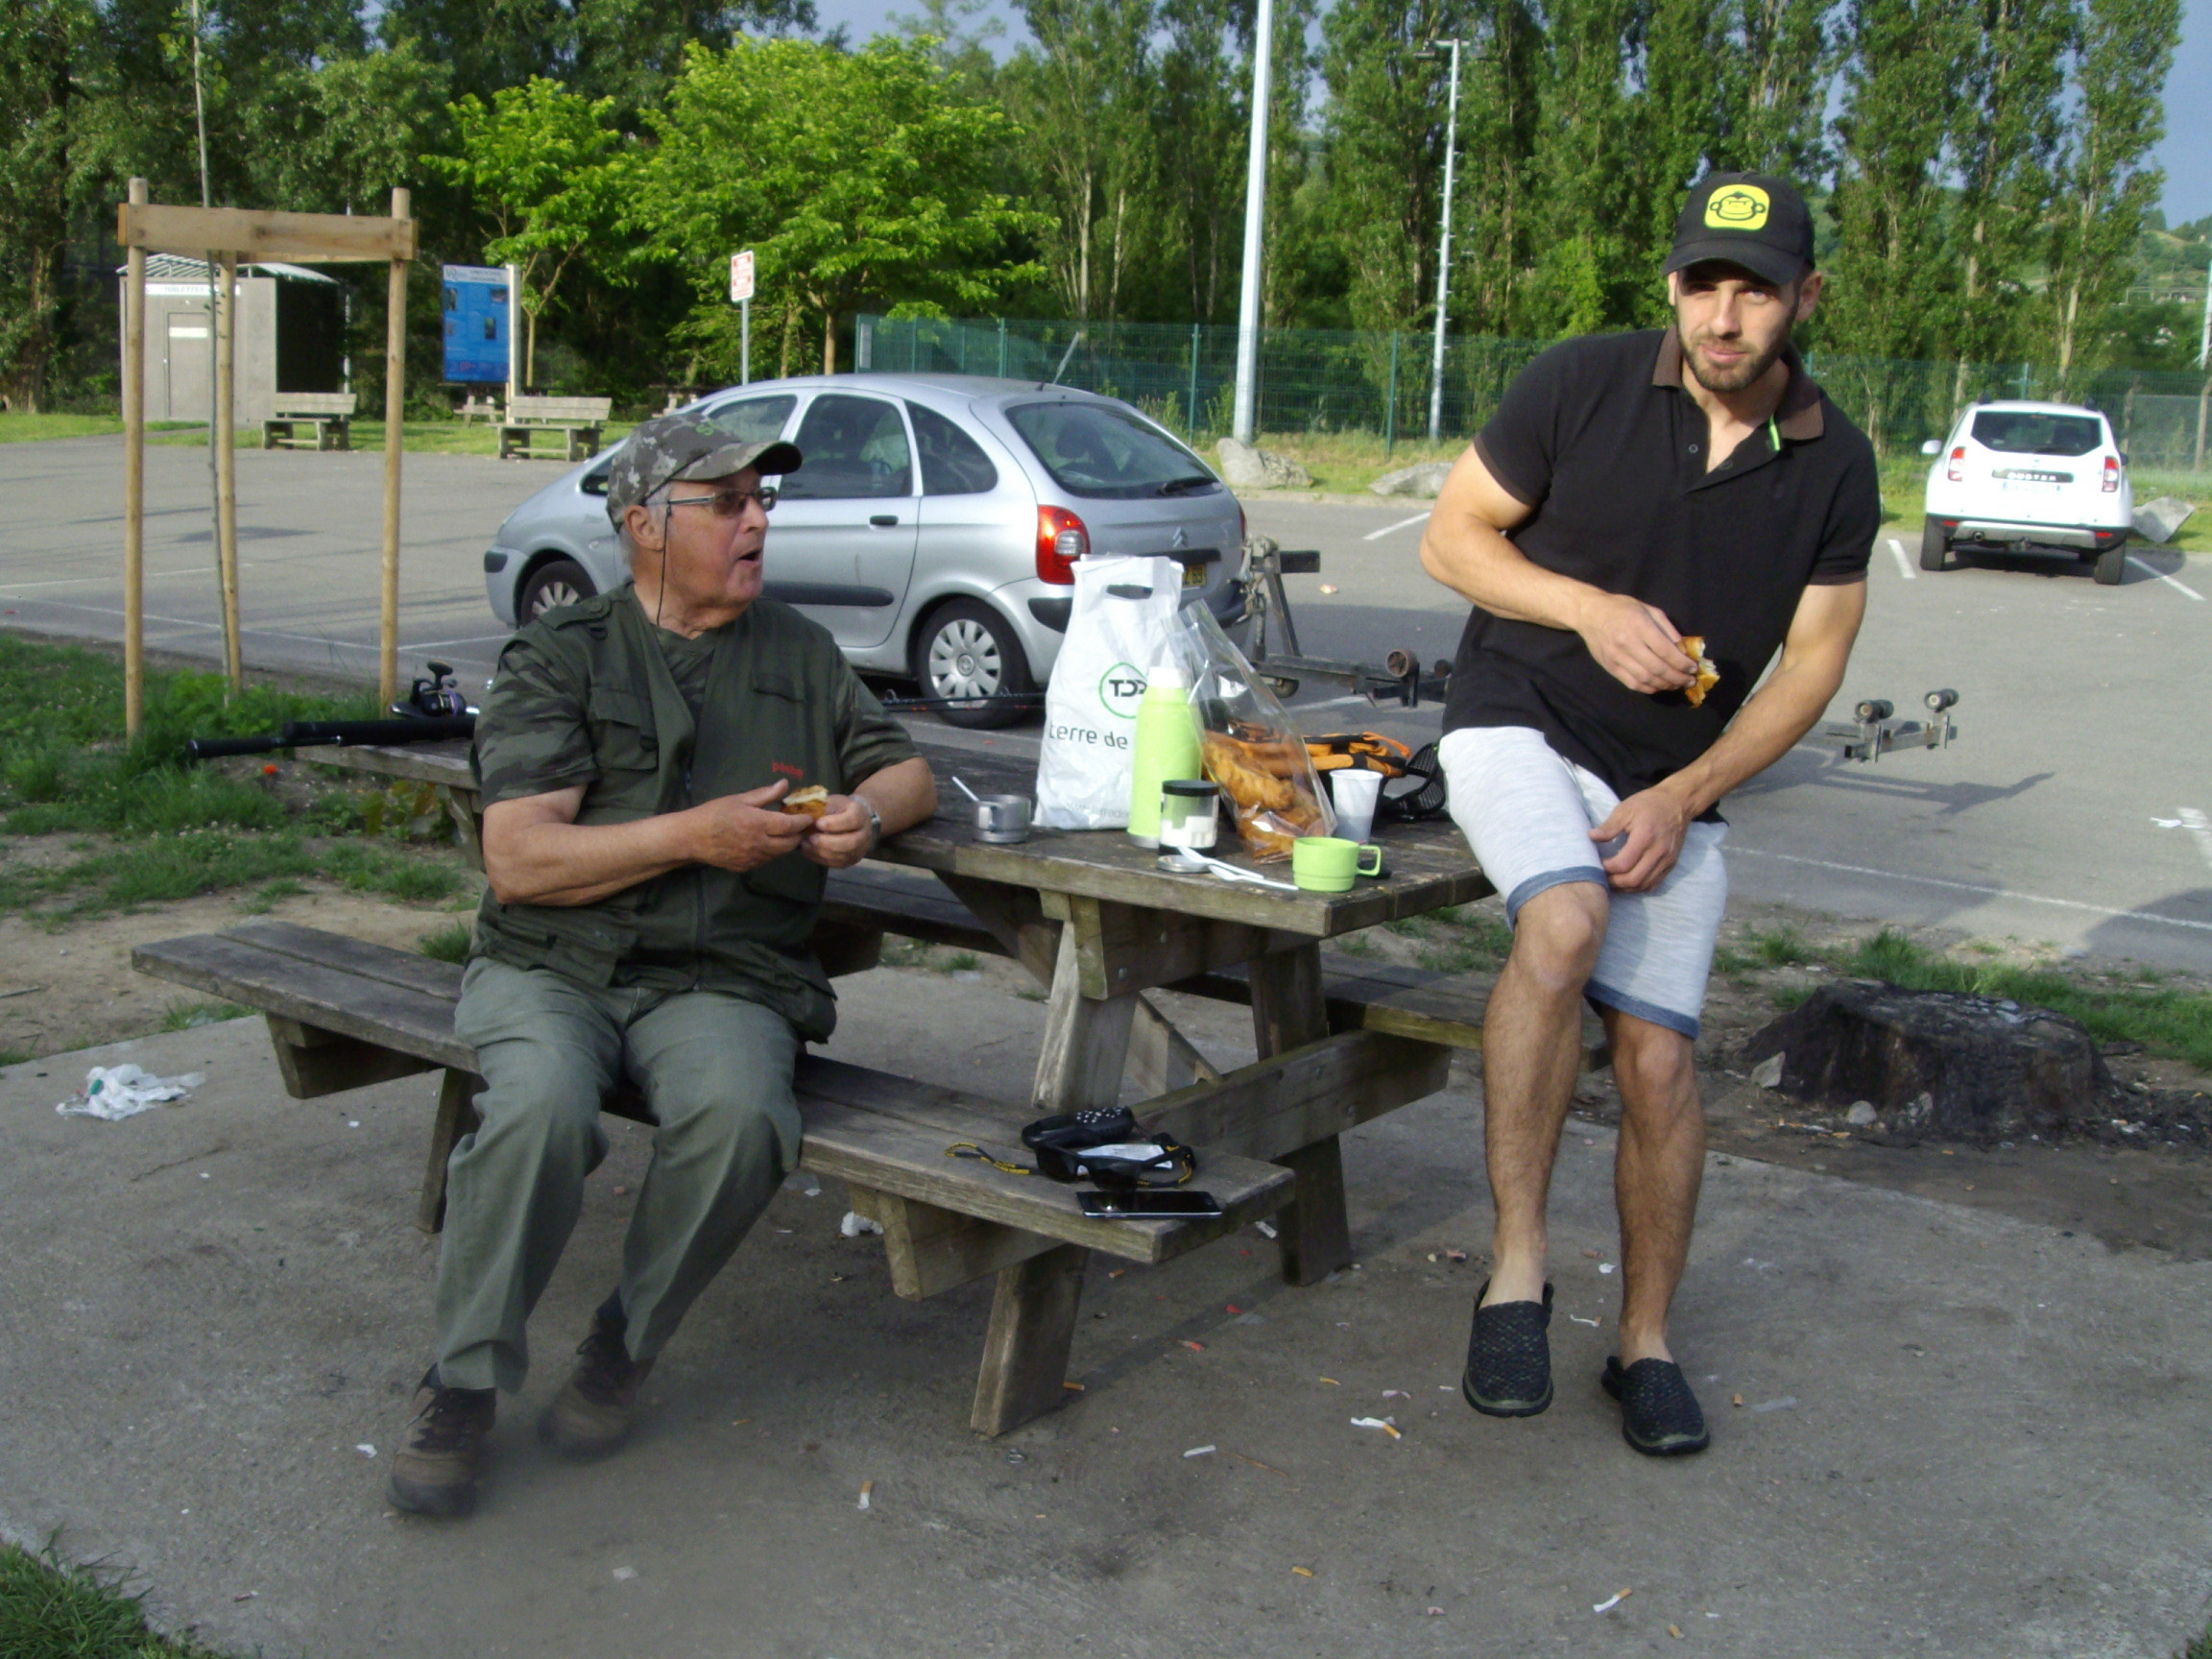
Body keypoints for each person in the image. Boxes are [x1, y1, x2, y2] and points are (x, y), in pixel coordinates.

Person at [386, 412, 937, 1516]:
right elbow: (520, 859)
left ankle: (621, 1348)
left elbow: (907, 767)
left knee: (741, 1118)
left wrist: (868, 815)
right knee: (539, 1110)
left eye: (760, 500)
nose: (757, 521)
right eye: (727, 502)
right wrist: (693, 835)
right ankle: (464, 1381)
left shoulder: (798, 652)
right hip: (558, 962)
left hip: (723, 971)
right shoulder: (561, 656)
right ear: (645, 526)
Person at [1419, 174, 1879, 1455]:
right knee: (1561, 925)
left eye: (1756, 288)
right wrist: (1583, 607)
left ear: (1803, 298)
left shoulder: (1835, 460)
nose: (1724, 317)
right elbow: (1454, 539)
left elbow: (1815, 664)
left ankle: (1646, 1346)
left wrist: (1686, 794)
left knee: (1662, 1059)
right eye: (1702, 284)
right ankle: (1516, 1270)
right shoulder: (1582, 382)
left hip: (1674, 776)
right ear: (1671, 285)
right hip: (1520, 712)